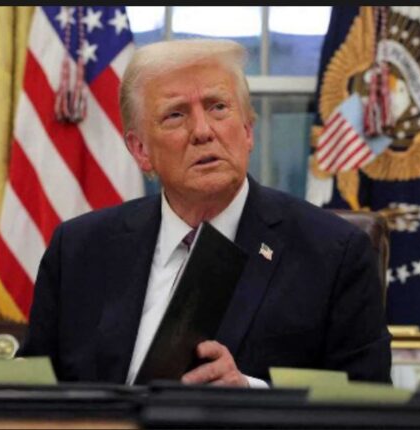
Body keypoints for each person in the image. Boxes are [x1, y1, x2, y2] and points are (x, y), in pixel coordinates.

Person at [19, 39, 392, 387]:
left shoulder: (333, 253)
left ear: (248, 130)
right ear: (140, 150)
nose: (202, 131)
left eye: (218, 107)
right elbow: (30, 391)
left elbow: (363, 397)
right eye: (175, 115)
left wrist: (252, 394)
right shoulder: (80, 250)